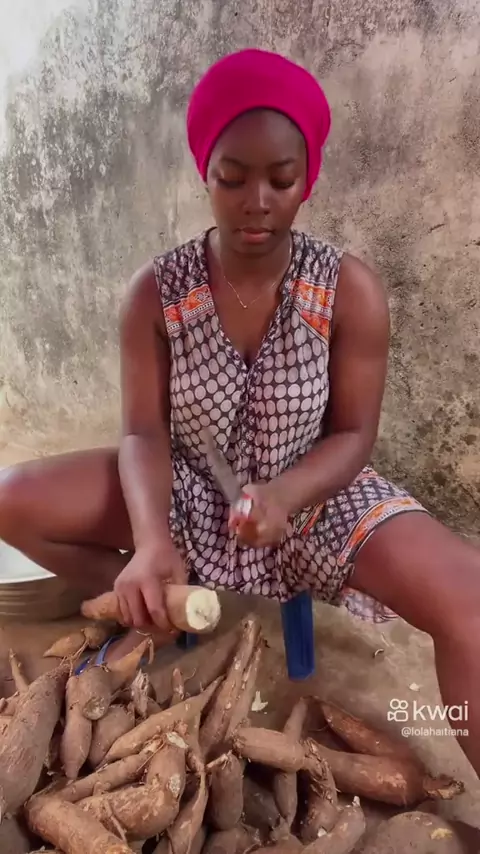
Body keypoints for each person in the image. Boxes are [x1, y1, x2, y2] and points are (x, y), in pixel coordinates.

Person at [0, 48, 479, 775]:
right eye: (233, 177)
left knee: (467, 595)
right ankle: (159, 599)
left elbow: (354, 433)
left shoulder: (348, 291)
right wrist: (152, 540)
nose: (258, 200)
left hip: (318, 498)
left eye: (281, 180)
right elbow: (142, 433)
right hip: (190, 493)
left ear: (307, 179)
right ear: (206, 171)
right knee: (11, 499)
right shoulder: (156, 294)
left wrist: (285, 494)